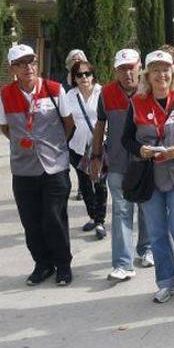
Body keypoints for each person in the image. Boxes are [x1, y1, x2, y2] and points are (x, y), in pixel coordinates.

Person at [122, 51, 174, 303]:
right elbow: (126, 139)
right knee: (157, 233)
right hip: (150, 177)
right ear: (147, 75)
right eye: (156, 70)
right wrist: (141, 150)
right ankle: (168, 282)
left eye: (166, 69)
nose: (162, 75)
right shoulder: (137, 102)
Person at [0, 44, 76, 287]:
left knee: (53, 216)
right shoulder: (5, 95)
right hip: (23, 168)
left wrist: (55, 146)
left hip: (54, 166)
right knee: (31, 220)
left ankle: (63, 265)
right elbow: (5, 127)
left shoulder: (54, 89)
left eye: (31, 62)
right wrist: (22, 145)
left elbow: (69, 123)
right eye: (22, 64)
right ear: (13, 68)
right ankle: (42, 264)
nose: (28, 67)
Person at [91, 49, 155, 282]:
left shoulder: (150, 90)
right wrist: (96, 155)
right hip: (117, 162)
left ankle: (147, 249)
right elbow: (100, 125)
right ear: (115, 70)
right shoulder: (106, 94)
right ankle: (122, 263)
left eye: (131, 67)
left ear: (140, 67)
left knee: (147, 208)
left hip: (146, 162)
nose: (127, 72)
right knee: (121, 211)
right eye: (122, 68)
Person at [65, 60, 107, 239]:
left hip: (98, 146)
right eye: (79, 75)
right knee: (84, 183)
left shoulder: (102, 92)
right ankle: (92, 216)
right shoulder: (70, 95)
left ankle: (100, 221)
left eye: (87, 74)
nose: (84, 78)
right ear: (74, 78)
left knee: (100, 183)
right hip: (76, 147)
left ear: (93, 75)